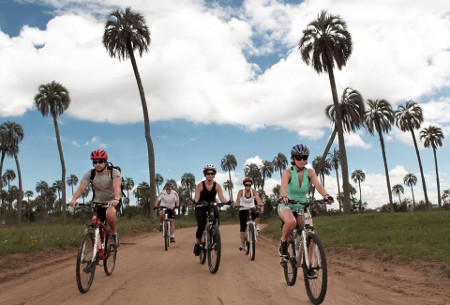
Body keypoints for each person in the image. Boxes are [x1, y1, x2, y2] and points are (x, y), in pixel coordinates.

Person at [278, 144, 333, 257]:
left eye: (305, 158)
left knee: (310, 233)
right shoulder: (287, 172)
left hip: (302, 206)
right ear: (293, 158)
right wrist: (283, 197)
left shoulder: (310, 173)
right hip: (286, 205)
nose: (302, 160)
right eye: (298, 157)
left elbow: (318, 186)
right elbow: (283, 187)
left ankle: (310, 266)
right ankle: (283, 242)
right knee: (291, 222)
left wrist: (326, 196)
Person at [69, 149, 122, 247]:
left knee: (110, 213)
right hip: (97, 202)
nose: (97, 164)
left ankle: (114, 234)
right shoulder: (90, 174)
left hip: (112, 201)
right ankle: (97, 251)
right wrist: (73, 199)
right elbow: (81, 188)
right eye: (95, 162)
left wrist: (116, 199)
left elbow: (117, 187)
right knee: (96, 226)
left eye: (100, 161)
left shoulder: (114, 172)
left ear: (105, 161)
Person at [192, 164, 231, 256]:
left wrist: (228, 202)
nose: (210, 175)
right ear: (205, 174)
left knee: (216, 221)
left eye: (212, 173)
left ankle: (215, 238)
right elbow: (196, 198)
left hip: (211, 206)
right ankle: (197, 244)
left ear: (214, 175)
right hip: (200, 207)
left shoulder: (217, 186)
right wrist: (195, 202)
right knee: (201, 226)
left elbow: (221, 198)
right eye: (208, 173)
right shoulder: (200, 185)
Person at [235, 177, 264, 251]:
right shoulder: (241, 191)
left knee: (255, 215)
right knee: (242, 226)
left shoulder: (253, 191)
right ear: (244, 185)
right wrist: (237, 204)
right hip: (243, 209)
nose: (248, 186)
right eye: (246, 185)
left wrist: (260, 204)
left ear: (251, 185)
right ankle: (242, 244)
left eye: (249, 185)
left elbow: (257, 198)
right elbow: (238, 200)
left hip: (251, 208)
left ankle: (254, 227)